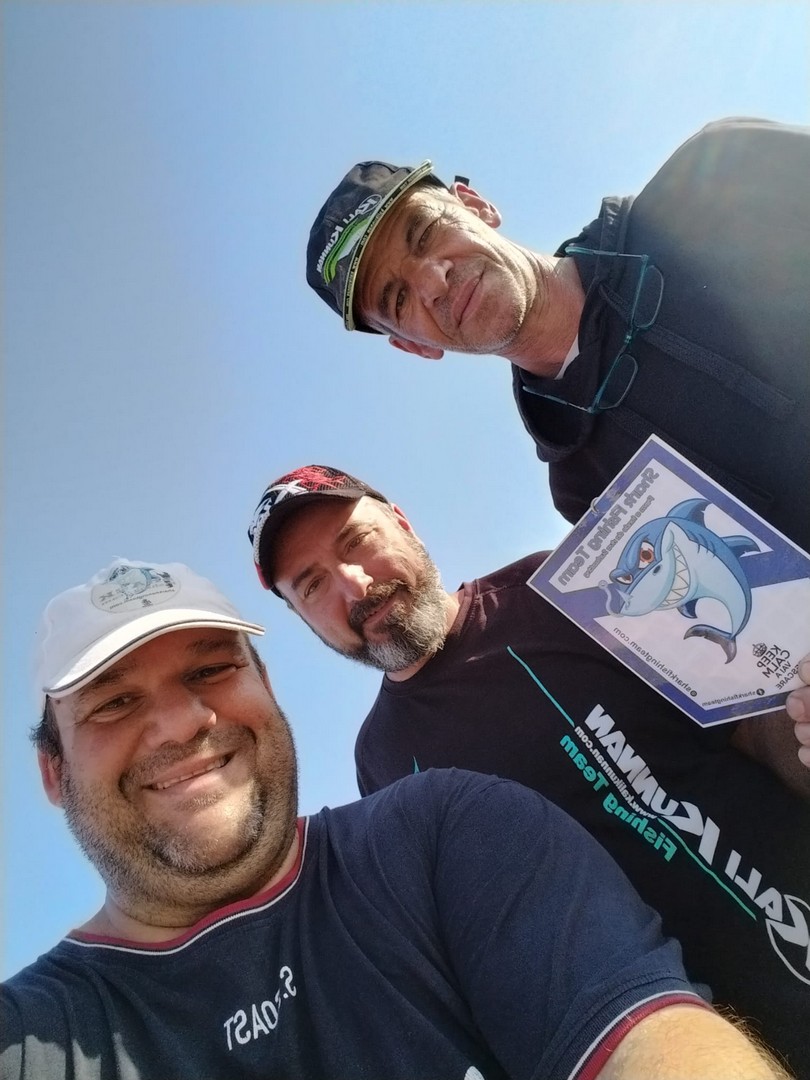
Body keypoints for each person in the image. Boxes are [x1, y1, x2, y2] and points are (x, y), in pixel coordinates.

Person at [4, 559, 793, 1080]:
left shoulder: (446, 830)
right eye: (113, 703)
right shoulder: (30, 1036)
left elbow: (647, 1034)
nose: (182, 723)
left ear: (266, 686)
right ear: (53, 773)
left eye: (211, 668)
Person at [249, 464, 810, 1078]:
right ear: (303, 618)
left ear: (402, 523)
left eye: (356, 541)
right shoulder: (379, 764)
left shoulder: (558, 591)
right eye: (312, 585)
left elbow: (753, 729)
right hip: (672, 1052)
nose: (354, 587)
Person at [306, 118, 810, 553]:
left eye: (424, 233)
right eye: (397, 299)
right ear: (414, 346)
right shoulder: (587, 494)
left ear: (476, 206)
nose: (433, 281)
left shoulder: (721, 177)